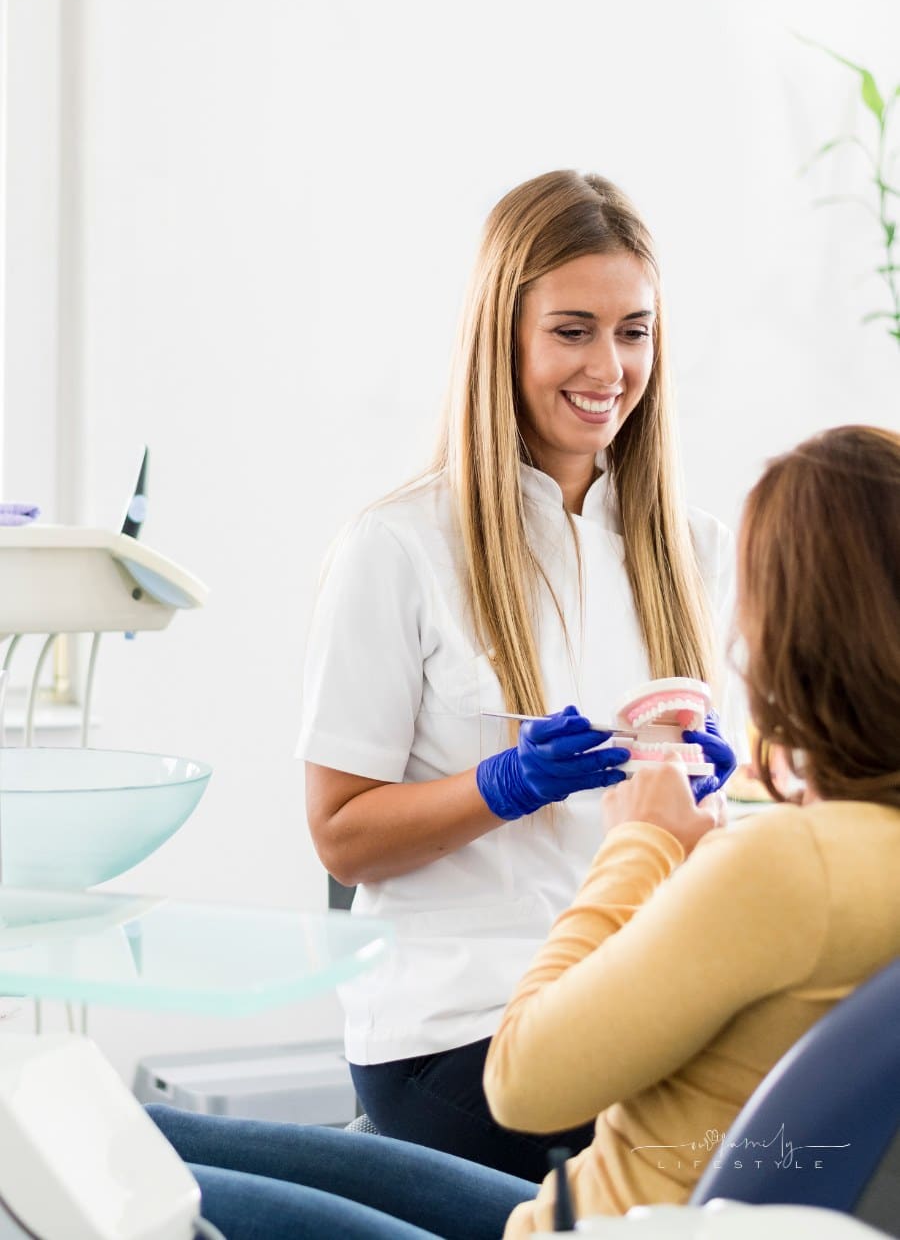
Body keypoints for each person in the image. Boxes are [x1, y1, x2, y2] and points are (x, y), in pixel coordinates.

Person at [148, 424, 900, 1238]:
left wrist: (639, 844)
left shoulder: (790, 866)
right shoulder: (845, 856)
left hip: (583, 1219)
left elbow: (519, 1082)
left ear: (793, 636)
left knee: (102, 1167)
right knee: (147, 1137)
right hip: (590, 1200)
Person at [294, 169, 744, 1177]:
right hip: (457, 1020)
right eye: (573, 329)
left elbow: (733, 826)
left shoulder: (696, 551)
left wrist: (731, 796)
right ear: (506, 337)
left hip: (635, 997)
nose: (609, 366)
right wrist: (500, 788)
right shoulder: (399, 547)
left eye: (635, 331)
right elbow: (340, 836)